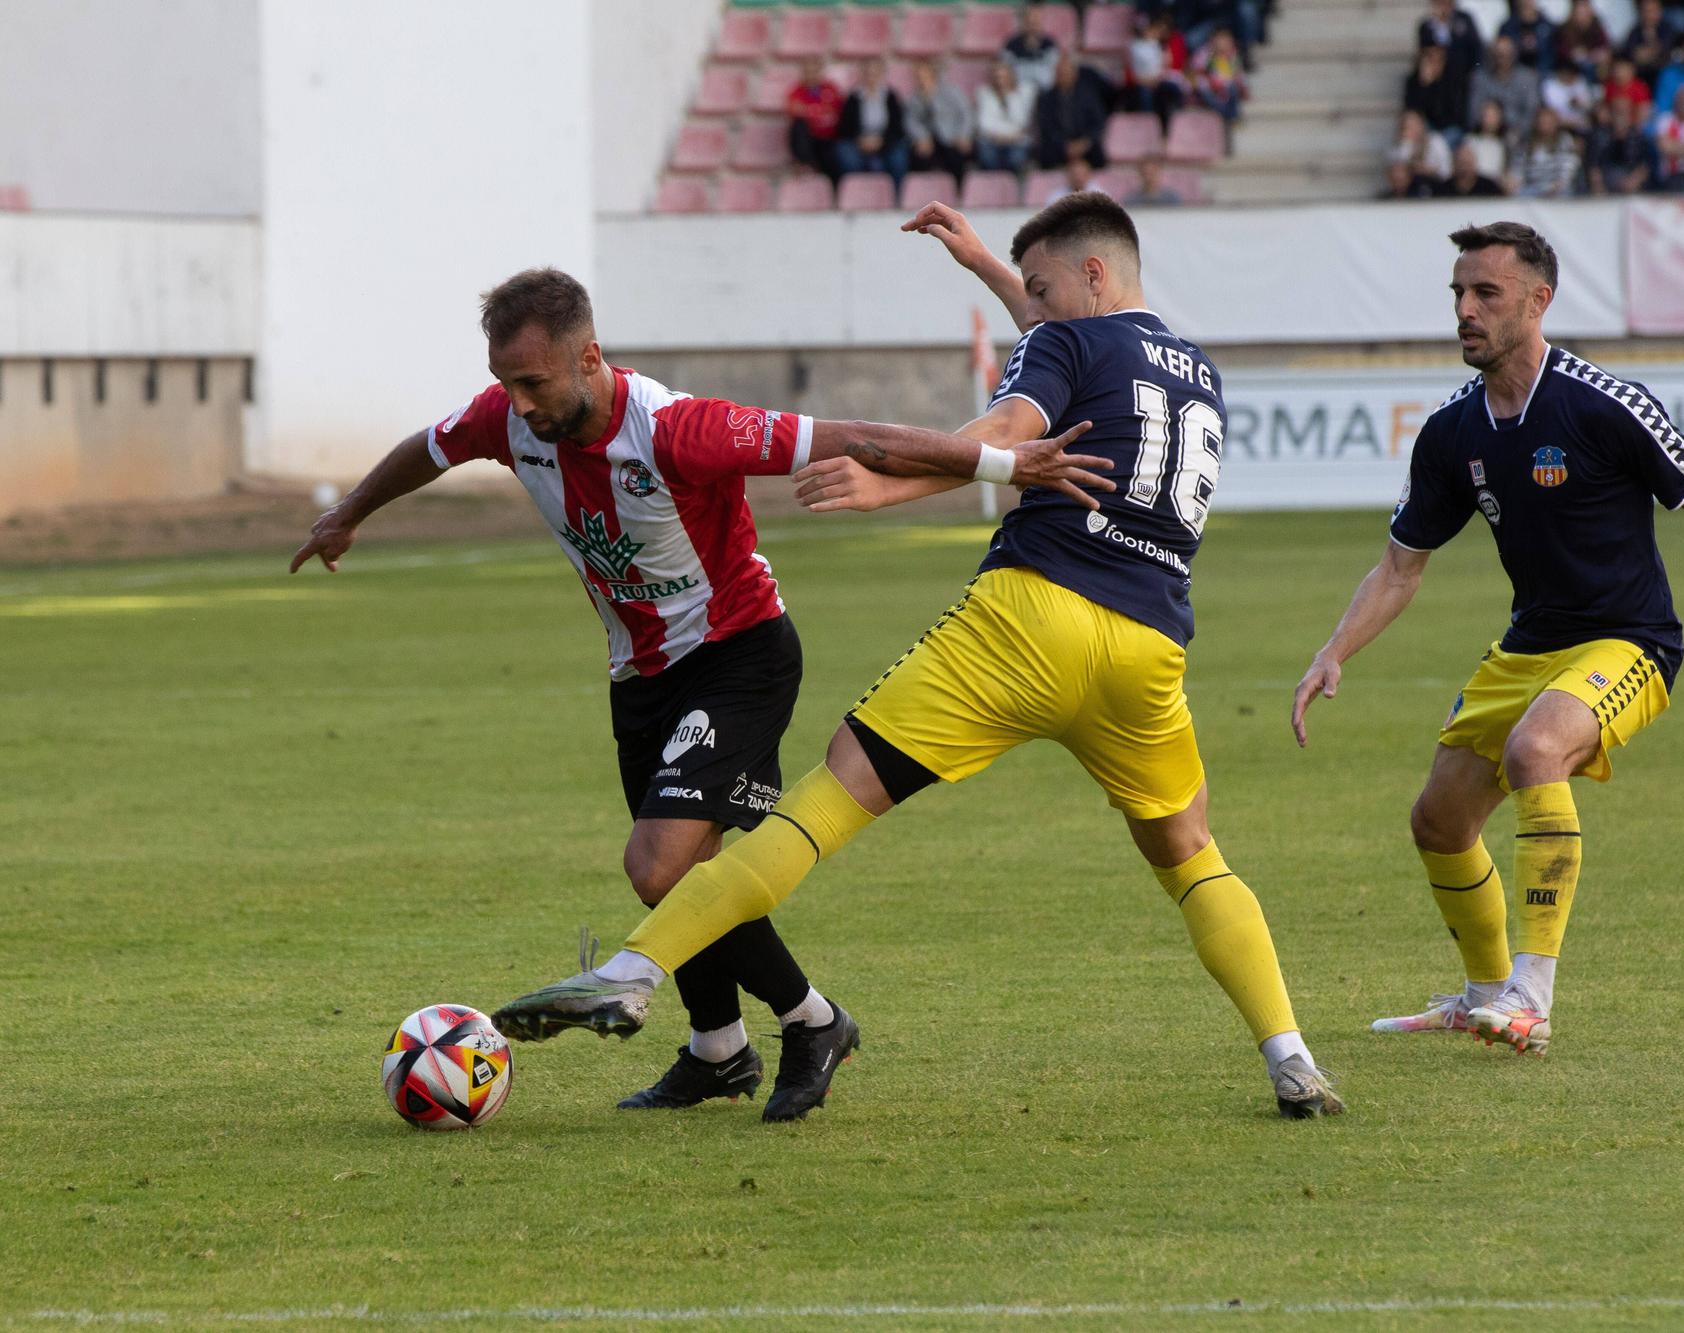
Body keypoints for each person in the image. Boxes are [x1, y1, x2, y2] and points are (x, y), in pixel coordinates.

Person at [496, 194, 1346, 1122]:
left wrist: (883, 483)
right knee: (1190, 854)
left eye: (1042, 285)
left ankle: (632, 971)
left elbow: (1002, 436)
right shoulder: (1196, 372)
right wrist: (987, 263)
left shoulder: (1064, 345)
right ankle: (1291, 1054)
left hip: (1029, 620)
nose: (1036, 303)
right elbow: (1071, 340)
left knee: (827, 797)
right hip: (1148, 649)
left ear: (1092, 275)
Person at [288, 270, 1100, 1119]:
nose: (517, 404)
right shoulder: (509, 420)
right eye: (506, 384)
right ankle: (718, 1047)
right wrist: (349, 511)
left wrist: (1008, 463)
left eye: (533, 382)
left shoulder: (680, 430)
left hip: (738, 656)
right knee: (672, 876)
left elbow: (854, 434)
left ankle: (814, 1020)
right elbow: (431, 444)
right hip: (637, 677)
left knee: (658, 860)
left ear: (589, 358)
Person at [1291, 222, 1684, 1056]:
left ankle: (1531, 998)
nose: (1465, 311)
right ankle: (1480, 996)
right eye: (1458, 295)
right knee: (1438, 820)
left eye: (1486, 294)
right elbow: (1401, 567)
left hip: (1631, 641)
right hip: (1529, 645)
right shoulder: (1453, 432)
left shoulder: (1602, 402)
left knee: (1536, 750)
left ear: (1539, 301)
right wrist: (1333, 651)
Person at [835, 57, 911, 189]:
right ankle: (856, 192)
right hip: (859, 142)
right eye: (868, 73)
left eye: (874, 73)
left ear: (881, 74)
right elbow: (844, 128)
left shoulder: (890, 97)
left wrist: (881, 141)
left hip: (885, 141)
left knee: (899, 157)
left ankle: (897, 197)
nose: (871, 77)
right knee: (845, 155)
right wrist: (860, 140)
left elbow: (897, 128)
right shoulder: (853, 98)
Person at [1036, 52, 1112, 169]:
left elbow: (1098, 122)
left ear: (1075, 74)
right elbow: (1046, 127)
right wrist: (1064, 145)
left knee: (1098, 155)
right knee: (1045, 155)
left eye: (1066, 73)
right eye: (1060, 73)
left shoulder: (1088, 95)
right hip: (1059, 145)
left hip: (1084, 143)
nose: (1063, 76)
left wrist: (1084, 143)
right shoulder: (1046, 99)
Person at [907, 58, 977, 180]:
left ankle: (959, 192)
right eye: (918, 77)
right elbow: (912, 121)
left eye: (924, 76)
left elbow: (966, 113)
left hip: (953, 136)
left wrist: (964, 135)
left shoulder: (951, 91)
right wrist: (921, 137)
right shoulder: (916, 98)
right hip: (932, 140)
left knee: (958, 158)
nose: (921, 80)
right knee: (918, 156)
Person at [1469, 37, 1543, 143]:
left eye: (1507, 54)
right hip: (1487, 134)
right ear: (1491, 55)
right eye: (1498, 54)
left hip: (1520, 136)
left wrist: (1518, 131)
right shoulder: (1480, 78)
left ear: (1514, 55)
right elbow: (1474, 112)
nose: (1502, 59)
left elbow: (1532, 111)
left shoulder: (1528, 78)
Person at [1126, 13, 1189, 130]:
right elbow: (1132, 74)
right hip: (1142, 83)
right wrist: (1147, 81)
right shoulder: (1134, 47)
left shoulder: (1159, 46)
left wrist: (1159, 77)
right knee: (1145, 94)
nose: (1158, 32)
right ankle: (1148, 127)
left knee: (1172, 90)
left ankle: (1177, 124)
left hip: (1159, 81)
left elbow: (1165, 67)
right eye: (1154, 29)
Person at [786, 57, 845, 180]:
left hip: (829, 139)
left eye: (814, 71)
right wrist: (820, 112)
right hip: (810, 139)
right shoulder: (796, 92)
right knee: (798, 126)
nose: (811, 75)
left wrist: (809, 111)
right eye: (808, 72)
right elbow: (796, 113)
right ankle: (805, 164)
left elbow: (837, 114)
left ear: (820, 72)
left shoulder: (831, 89)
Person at [976, 58, 1039, 172]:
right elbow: (984, 124)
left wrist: (1008, 97)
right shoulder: (984, 93)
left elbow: (1023, 122)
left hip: (1017, 140)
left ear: (1011, 77)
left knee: (1016, 159)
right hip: (993, 140)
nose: (1000, 81)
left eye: (1004, 77)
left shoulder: (1023, 92)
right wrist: (1002, 137)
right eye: (997, 77)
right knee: (987, 156)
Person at [1586, 96, 1654, 192]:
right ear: (1610, 114)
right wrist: (1599, 188)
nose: (1620, 117)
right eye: (1617, 112)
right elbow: (1593, 167)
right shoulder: (1599, 136)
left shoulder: (1638, 137)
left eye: (1624, 113)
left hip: (1630, 184)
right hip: (1606, 183)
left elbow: (1645, 166)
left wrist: (1633, 181)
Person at [1513, 105, 1580, 195]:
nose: (1545, 125)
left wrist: (1559, 183)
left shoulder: (1564, 140)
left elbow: (1569, 165)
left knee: (1564, 192)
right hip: (1533, 187)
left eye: (1548, 122)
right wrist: (1515, 179)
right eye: (1542, 122)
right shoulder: (1527, 143)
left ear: (1555, 123)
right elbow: (1518, 166)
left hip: (1557, 187)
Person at [1190, 30, 1249, 124]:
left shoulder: (1233, 57)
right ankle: (1228, 115)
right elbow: (1197, 69)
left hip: (1226, 88)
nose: (1224, 43)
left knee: (1233, 88)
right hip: (1211, 88)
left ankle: (1226, 115)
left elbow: (1238, 76)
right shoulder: (1205, 53)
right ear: (1213, 40)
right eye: (1221, 40)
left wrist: (1243, 88)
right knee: (1203, 88)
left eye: (1227, 41)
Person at [1004, 2, 1064, 94]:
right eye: (1029, 21)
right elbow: (1004, 71)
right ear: (1023, 22)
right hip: (1019, 91)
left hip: (1045, 92)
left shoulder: (1050, 44)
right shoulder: (1011, 45)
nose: (1032, 25)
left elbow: (1055, 71)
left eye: (1036, 22)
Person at [1407, 43, 1466, 132]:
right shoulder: (1414, 81)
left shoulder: (1452, 79)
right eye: (1429, 57)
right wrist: (1424, 85)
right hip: (1425, 129)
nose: (1434, 63)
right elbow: (1414, 110)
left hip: (1450, 128)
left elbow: (1449, 113)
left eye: (1438, 58)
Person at [1389, 108, 1455, 183]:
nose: (1408, 128)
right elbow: (1398, 169)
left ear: (1420, 125)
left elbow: (1447, 171)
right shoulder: (1400, 145)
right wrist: (1406, 143)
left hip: (1436, 185)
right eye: (1405, 126)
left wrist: (1428, 170)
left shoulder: (1435, 141)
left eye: (1412, 125)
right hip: (1410, 188)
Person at [1499, 0, 1558, 74]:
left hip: (1544, 74)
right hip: (1515, 76)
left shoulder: (1548, 26)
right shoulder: (1507, 27)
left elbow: (1552, 56)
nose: (1526, 1)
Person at [1542, 58, 1597, 135]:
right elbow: (1551, 113)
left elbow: (1589, 106)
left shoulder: (1580, 81)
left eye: (1570, 74)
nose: (1567, 76)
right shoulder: (1550, 86)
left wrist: (1579, 104)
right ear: (1559, 73)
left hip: (1581, 125)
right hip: (1560, 126)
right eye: (1564, 73)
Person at [1465, 99, 1513, 178]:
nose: (1488, 120)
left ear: (1500, 118)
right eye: (1486, 115)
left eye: (1493, 116)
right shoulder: (1470, 140)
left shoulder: (1505, 144)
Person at [1440, 139, 1509, 193]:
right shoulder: (1443, 189)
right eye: (1462, 163)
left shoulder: (1488, 187)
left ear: (1475, 163)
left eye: (1468, 163)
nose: (1465, 168)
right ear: (1455, 164)